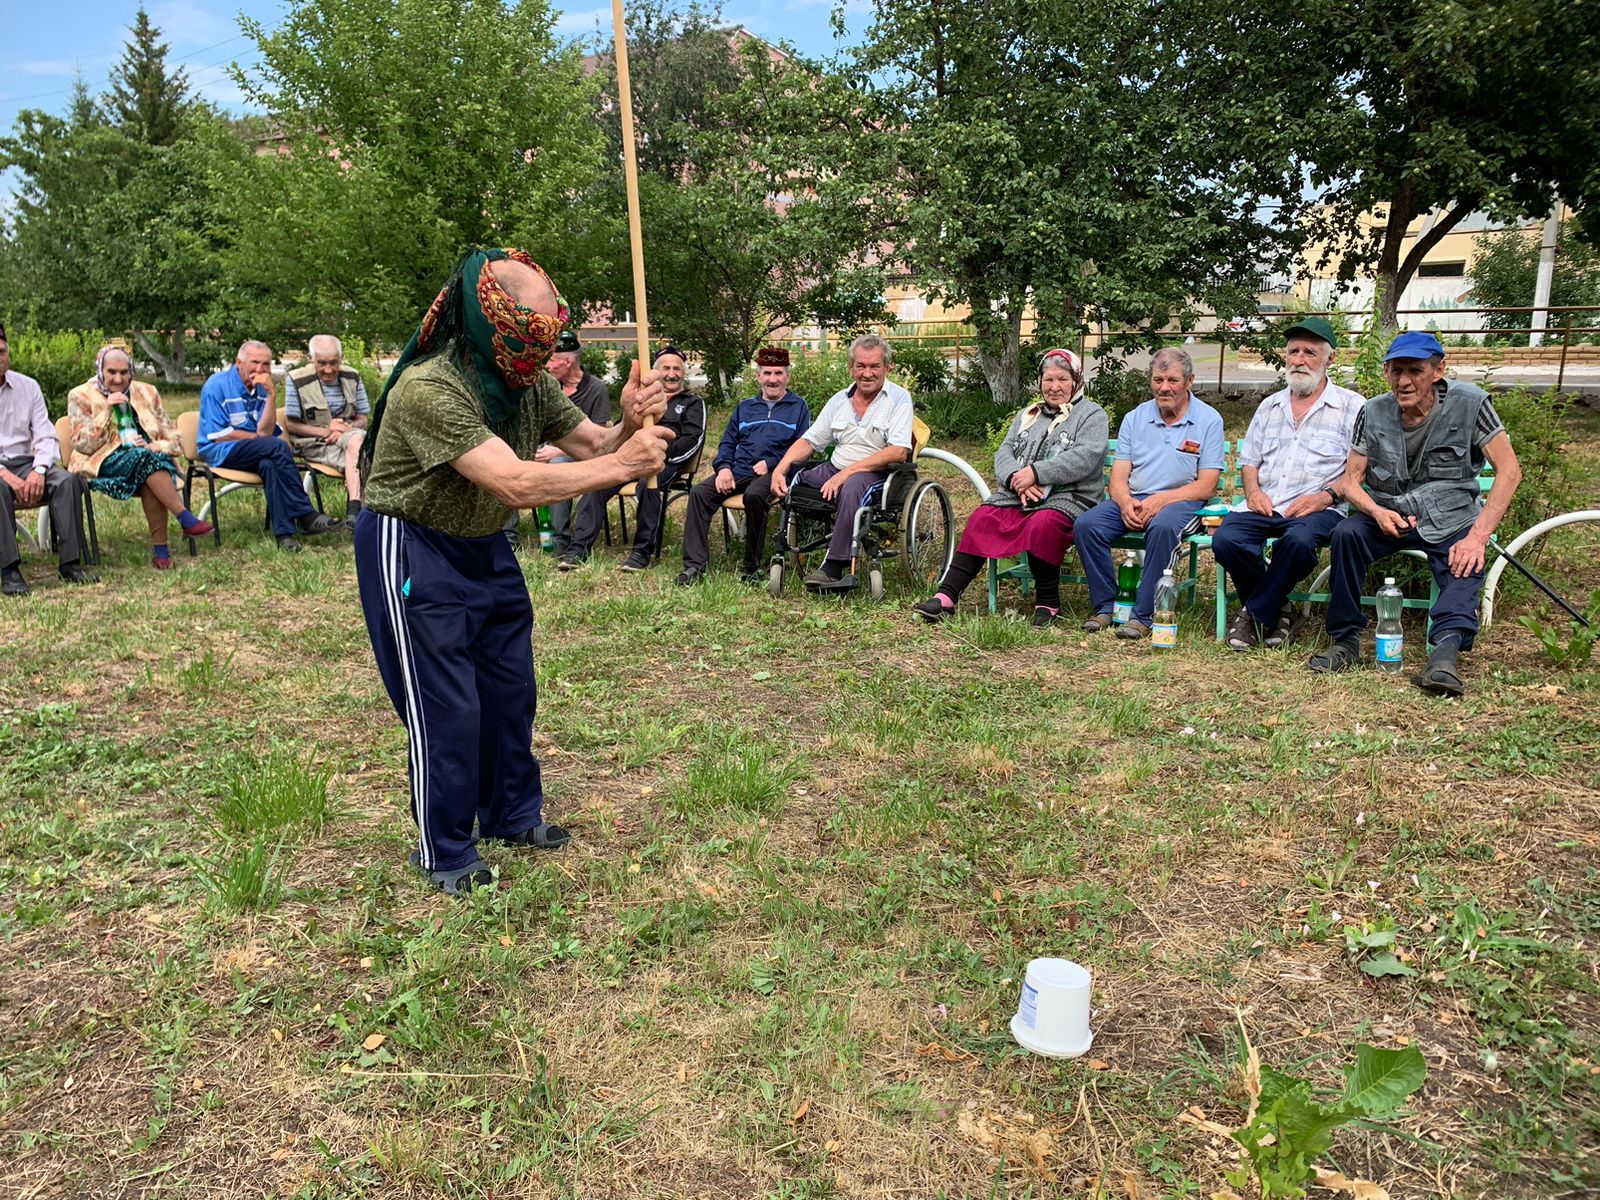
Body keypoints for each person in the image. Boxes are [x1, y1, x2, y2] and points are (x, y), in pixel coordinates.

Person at [354, 248, 670, 896]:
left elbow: (596, 444)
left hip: (484, 543)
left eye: (547, 339)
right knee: (447, 706)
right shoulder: (429, 388)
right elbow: (517, 482)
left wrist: (632, 420)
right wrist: (624, 466)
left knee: (508, 690)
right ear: (485, 324)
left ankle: (512, 816)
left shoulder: (528, 381)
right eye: (526, 340)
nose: (536, 355)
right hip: (415, 542)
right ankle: (443, 849)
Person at [1309, 331, 1522, 696]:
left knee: (1465, 558)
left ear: (1439, 370)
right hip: (1389, 514)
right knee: (1347, 535)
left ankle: (1444, 654)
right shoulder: (1372, 410)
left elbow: (1509, 470)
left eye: (1415, 371)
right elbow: (1351, 481)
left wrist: (1478, 536)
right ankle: (1345, 642)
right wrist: (1376, 512)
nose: (1403, 381)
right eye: (1395, 371)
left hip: (1451, 518)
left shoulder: (1471, 403)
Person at [915, 348, 1108, 626]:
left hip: (1071, 496)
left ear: (1076, 381)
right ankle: (946, 596)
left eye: (1063, 379)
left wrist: (1036, 473)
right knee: (983, 518)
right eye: (1048, 380)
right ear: (1040, 381)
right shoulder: (1028, 414)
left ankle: (1047, 602)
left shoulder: (1091, 415)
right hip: (1019, 494)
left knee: (1043, 523)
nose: (1055, 387)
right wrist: (1018, 479)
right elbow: (1004, 453)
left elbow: (1086, 456)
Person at [1214, 317, 1364, 649]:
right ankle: (1280, 609)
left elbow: (1357, 473)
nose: (1298, 360)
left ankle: (1253, 616)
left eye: (1309, 352)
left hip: (1320, 508)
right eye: (1293, 351)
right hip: (1268, 504)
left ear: (1330, 359)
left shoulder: (1352, 407)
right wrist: (1252, 491)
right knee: (1226, 539)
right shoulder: (1270, 406)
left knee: (1296, 543)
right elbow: (1250, 461)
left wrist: (1324, 498)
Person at [1073, 347, 1224, 638]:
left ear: (1190, 380)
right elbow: (1118, 479)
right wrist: (1126, 501)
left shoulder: (1209, 420)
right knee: (1087, 526)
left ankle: (1144, 615)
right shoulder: (1135, 418)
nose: (1164, 387)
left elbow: (1207, 486)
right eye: (1158, 380)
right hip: (1136, 499)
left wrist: (1161, 501)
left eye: (1172, 380)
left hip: (1184, 501)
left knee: (1164, 527)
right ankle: (1108, 607)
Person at [769, 335, 915, 591]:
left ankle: (834, 566)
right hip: (835, 467)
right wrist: (780, 470)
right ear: (851, 368)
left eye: (874, 366)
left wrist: (847, 473)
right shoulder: (839, 401)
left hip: (877, 473)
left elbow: (898, 452)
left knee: (851, 487)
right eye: (861, 366)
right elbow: (810, 441)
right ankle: (781, 554)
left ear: (887, 367)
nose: (867, 373)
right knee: (798, 481)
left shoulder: (899, 399)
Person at [66, 345, 214, 569]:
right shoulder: (81, 395)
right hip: (102, 460)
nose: (118, 379)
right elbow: (82, 444)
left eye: (124, 372)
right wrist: (106, 410)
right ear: (100, 370)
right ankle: (184, 518)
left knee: (148, 466)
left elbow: (174, 437)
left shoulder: (147, 391)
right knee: (146, 462)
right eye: (112, 372)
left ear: (131, 371)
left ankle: (161, 554)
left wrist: (156, 445)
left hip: (145, 457)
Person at [561, 344, 705, 572]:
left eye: (677, 369)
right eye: (666, 368)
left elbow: (693, 441)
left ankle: (641, 552)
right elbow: (622, 430)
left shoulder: (692, 403)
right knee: (596, 483)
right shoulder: (642, 401)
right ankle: (578, 549)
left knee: (648, 484)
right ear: (657, 373)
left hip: (664, 463)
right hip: (631, 459)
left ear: (683, 373)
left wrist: (660, 452)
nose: (671, 373)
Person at [676, 346, 810, 586]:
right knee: (699, 493)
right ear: (758, 376)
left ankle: (752, 567)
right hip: (739, 469)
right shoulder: (745, 407)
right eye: (767, 373)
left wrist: (772, 463)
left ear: (787, 376)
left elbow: (802, 447)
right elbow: (728, 441)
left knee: (754, 495)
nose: (773, 379)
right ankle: (694, 566)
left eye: (778, 373)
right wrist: (724, 467)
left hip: (774, 472)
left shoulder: (798, 407)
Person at [197, 341, 346, 552]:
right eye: (254, 362)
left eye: (266, 364)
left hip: (254, 451)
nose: (260, 369)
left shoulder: (260, 389)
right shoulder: (217, 385)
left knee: (269, 463)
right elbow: (219, 435)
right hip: (220, 451)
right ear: (239, 362)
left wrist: (271, 396)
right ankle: (306, 514)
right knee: (276, 447)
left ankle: (284, 535)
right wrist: (256, 437)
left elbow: (266, 432)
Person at [0, 328, 93, 594]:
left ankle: (70, 563)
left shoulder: (28, 387)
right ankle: (9, 571)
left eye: (2, 352)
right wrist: (6, 475)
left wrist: (39, 470)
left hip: (28, 461)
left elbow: (44, 435)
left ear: (8, 353)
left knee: (67, 481)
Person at [506, 329, 613, 553]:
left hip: (579, 456)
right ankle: (508, 538)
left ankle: (559, 540)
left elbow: (601, 441)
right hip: (541, 451)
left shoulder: (596, 389)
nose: (546, 366)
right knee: (505, 461)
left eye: (551, 361)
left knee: (557, 465)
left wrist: (556, 452)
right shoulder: (549, 388)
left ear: (567, 361)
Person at [284, 335, 369, 518]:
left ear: (341, 358)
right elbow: (291, 425)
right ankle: (360, 513)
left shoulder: (353, 376)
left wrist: (344, 428)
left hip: (349, 437)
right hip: (314, 443)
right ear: (310, 359)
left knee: (358, 442)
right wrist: (327, 431)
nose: (329, 370)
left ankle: (357, 514)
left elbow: (363, 419)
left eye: (334, 363)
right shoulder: (296, 379)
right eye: (322, 363)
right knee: (366, 456)